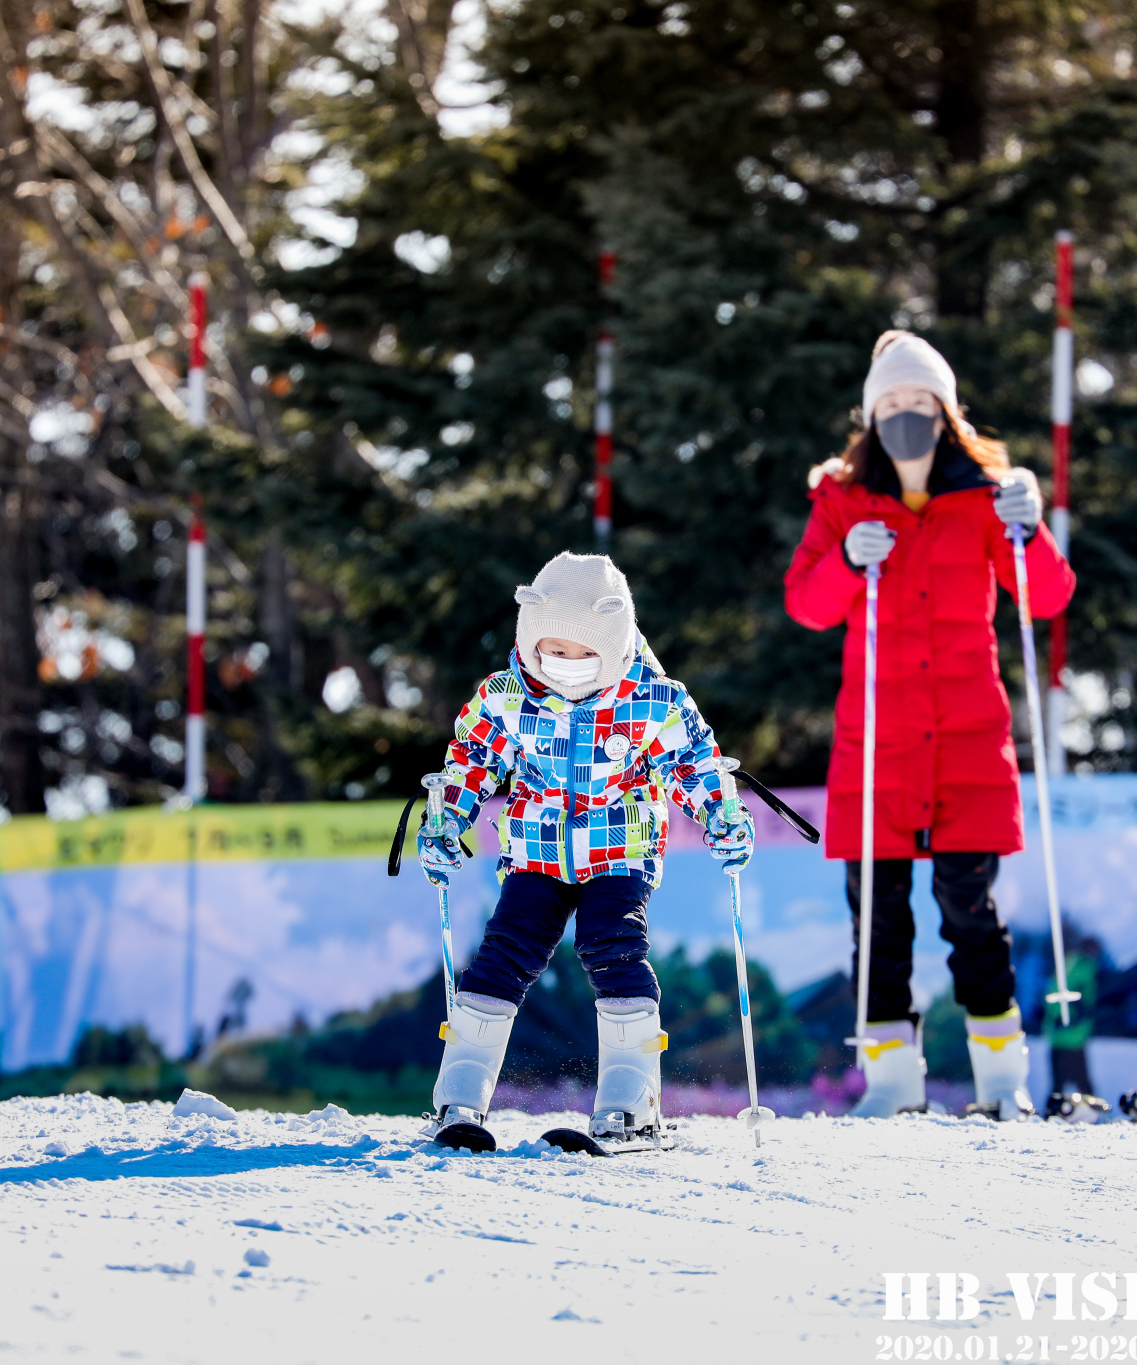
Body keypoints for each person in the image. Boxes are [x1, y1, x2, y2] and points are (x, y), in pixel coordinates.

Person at [784, 330, 1076, 1119]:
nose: (907, 414)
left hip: (967, 744)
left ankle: (1001, 1083)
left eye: (922, 402)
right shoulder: (841, 500)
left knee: (972, 916)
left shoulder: (987, 497)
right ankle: (890, 1087)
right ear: (871, 414)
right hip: (876, 748)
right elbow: (806, 604)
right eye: (893, 403)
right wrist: (847, 558)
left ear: (946, 413)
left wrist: (1029, 525)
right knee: (878, 922)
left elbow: (1044, 597)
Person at [417, 552, 753, 1152]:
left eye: (583, 654)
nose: (565, 666)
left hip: (619, 853)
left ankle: (631, 1102)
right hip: (535, 854)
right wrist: (447, 822)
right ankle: (459, 1096)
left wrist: (722, 815)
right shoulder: (505, 698)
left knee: (611, 946)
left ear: (616, 645)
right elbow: (470, 762)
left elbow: (694, 764)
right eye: (552, 651)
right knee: (503, 955)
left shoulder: (654, 702)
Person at [1044, 936, 1100, 1099]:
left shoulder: (1073, 965)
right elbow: (1056, 994)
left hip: (1068, 1036)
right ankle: (1093, 1118)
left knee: (1063, 1086)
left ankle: (1054, 1117)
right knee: (1078, 1085)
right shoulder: (1080, 966)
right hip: (1069, 1036)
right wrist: (1072, 1013)